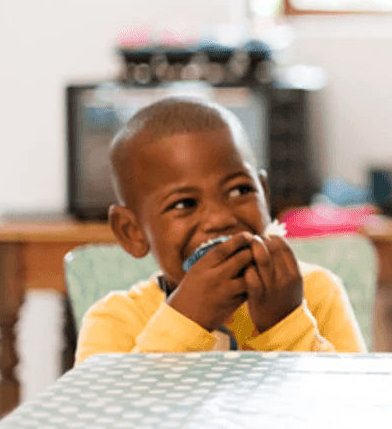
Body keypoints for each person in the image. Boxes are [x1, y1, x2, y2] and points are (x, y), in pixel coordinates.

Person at [75, 97, 364, 363]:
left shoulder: (316, 293)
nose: (220, 218)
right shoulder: (114, 321)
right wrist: (186, 320)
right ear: (132, 231)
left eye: (240, 190)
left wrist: (285, 324)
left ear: (264, 194)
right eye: (184, 204)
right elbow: (107, 415)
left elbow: (349, 410)